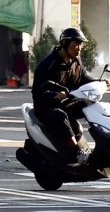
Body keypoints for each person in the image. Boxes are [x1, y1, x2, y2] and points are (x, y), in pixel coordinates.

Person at [31, 27, 96, 165]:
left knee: (89, 104)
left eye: (81, 44)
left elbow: (84, 78)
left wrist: (100, 82)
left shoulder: (75, 62)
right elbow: (38, 91)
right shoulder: (48, 65)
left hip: (66, 104)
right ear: (64, 44)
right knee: (60, 116)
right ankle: (77, 153)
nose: (79, 48)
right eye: (75, 44)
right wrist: (54, 95)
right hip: (46, 108)